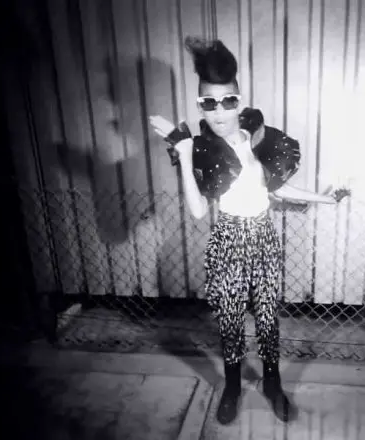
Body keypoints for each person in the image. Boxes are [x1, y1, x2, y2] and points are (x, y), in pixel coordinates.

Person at [149, 36, 349, 425]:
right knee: (230, 318)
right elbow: (197, 210)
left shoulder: (259, 140)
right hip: (228, 239)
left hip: (264, 237)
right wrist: (185, 153)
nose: (219, 111)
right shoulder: (201, 149)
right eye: (209, 103)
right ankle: (232, 386)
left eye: (228, 101)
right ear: (200, 106)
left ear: (239, 102)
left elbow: (277, 188)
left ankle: (273, 383)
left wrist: (325, 199)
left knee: (268, 316)